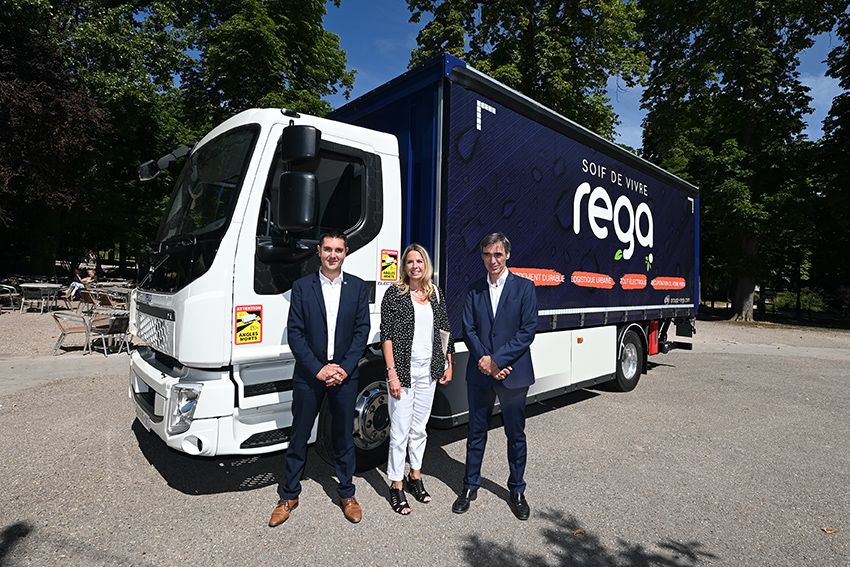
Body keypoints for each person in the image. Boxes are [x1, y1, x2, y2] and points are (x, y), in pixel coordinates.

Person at [268, 231, 371, 527]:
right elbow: (295, 333)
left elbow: (361, 331)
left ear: (346, 252)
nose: (332, 255)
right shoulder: (302, 287)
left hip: (344, 375)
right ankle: (289, 496)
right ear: (319, 251)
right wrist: (318, 369)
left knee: (344, 436)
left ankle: (347, 493)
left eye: (338, 250)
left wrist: (344, 368)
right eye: (328, 249)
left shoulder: (358, 287)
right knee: (299, 435)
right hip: (309, 374)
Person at [452, 232, 538, 520]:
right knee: (476, 432)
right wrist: (487, 362)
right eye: (488, 254)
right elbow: (468, 329)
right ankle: (469, 486)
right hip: (480, 373)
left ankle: (517, 490)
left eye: (498, 254)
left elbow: (527, 330)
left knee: (515, 434)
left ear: (507, 255)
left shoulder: (524, 288)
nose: (493, 260)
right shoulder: (474, 289)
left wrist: (498, 361)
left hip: (513, 373)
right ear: (482, 256)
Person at [380, 244, 454, 515]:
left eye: (419, 261)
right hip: (403, 370)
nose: (415, 266)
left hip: (429, 370)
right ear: (404, 266)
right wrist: (391, 373)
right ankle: (396, 484)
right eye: (410, 262)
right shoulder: (395, 294)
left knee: (420, 429)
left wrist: (448, 362)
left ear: (426, 265)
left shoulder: (435, 293)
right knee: (400, 431)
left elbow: (444, 329)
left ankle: (415, 476)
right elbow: (386, 335)